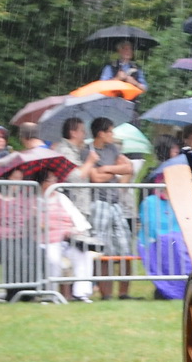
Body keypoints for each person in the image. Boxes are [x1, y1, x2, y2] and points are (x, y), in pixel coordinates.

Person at [84, 117, 136, 299]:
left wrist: (106, 168)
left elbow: (128, 168)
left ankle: (124, 293)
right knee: (102, 249)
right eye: (110, 131)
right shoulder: (87, 151)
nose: (112, 135)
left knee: (125, 246)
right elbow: (95, 178)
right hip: (98, 202)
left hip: (115, 203)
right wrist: (115, 170)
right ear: (101, 133)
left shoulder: (113, 149)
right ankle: (106, 293)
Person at [38, 169, 96, 302]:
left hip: (67, 240)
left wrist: (78, 229)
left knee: (84, 255)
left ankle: (81, 293)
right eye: (50, 180)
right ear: (42, 183)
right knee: (53, 260)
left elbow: (76, 215)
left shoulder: (61, 197)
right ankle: (50, 293)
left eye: (55, 180)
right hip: (48, 241)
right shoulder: (36, 200)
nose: (54, 183)